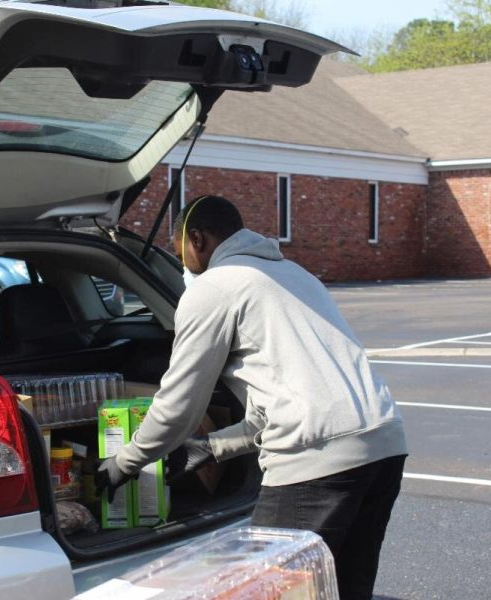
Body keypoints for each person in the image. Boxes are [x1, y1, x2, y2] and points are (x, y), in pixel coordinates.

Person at [95, 195, 407, 600]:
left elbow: (178, 407)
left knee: (270, 591)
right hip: (383, 447)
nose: (184, 268)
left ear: (197, 240)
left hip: (315, 462)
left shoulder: (215, 287)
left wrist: (123, 462)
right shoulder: (295, 276)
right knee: (342, 590)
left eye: (180, 256)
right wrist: (214, 446)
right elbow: (280, 399)